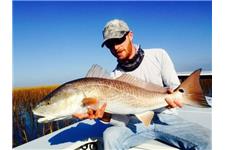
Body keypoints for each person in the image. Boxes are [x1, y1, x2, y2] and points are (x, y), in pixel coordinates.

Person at [73, 19, 211, 150]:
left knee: (211, 140)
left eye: (119, 40)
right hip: (136, 122)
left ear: (130, 35)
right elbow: (123, 120)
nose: (116, 47)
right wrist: (104, 116)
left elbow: (175, 88)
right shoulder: (114, 77)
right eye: (110, 44)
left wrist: (172, 99)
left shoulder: (158, 55)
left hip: (167, 118)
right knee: (110, 136)